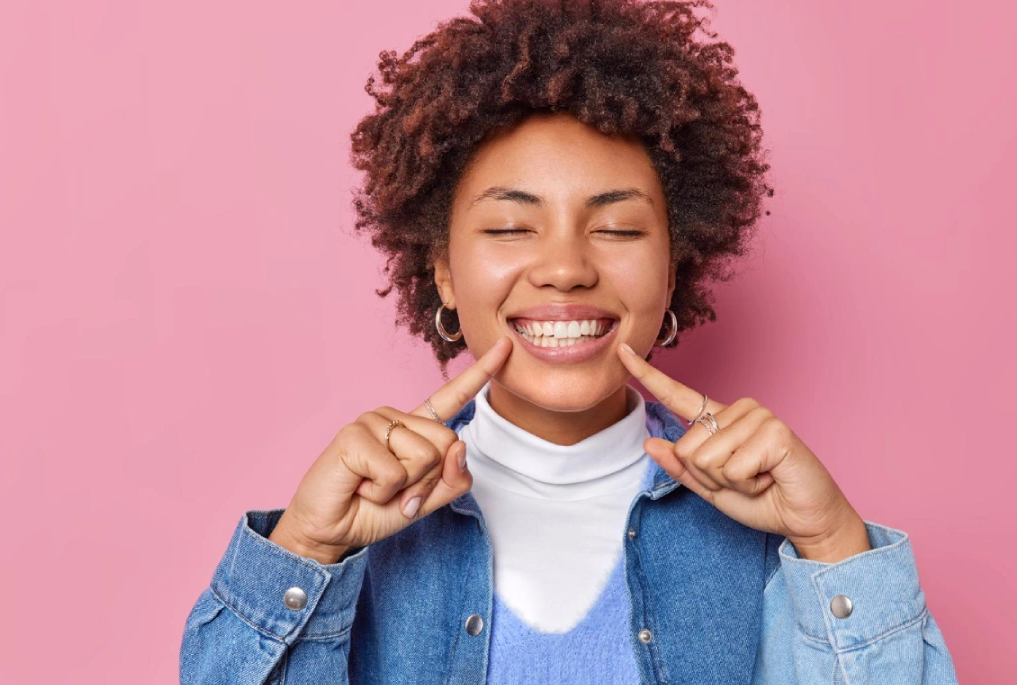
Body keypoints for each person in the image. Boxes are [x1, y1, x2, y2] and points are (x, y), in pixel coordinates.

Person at [181, 0, 960, 682]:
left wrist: (831, 541)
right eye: (512, 227)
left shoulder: (771, 538)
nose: (565, 267)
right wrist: (304, 552)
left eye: (617, 227)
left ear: (672, 268)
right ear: (444, 272)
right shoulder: (359, 531)